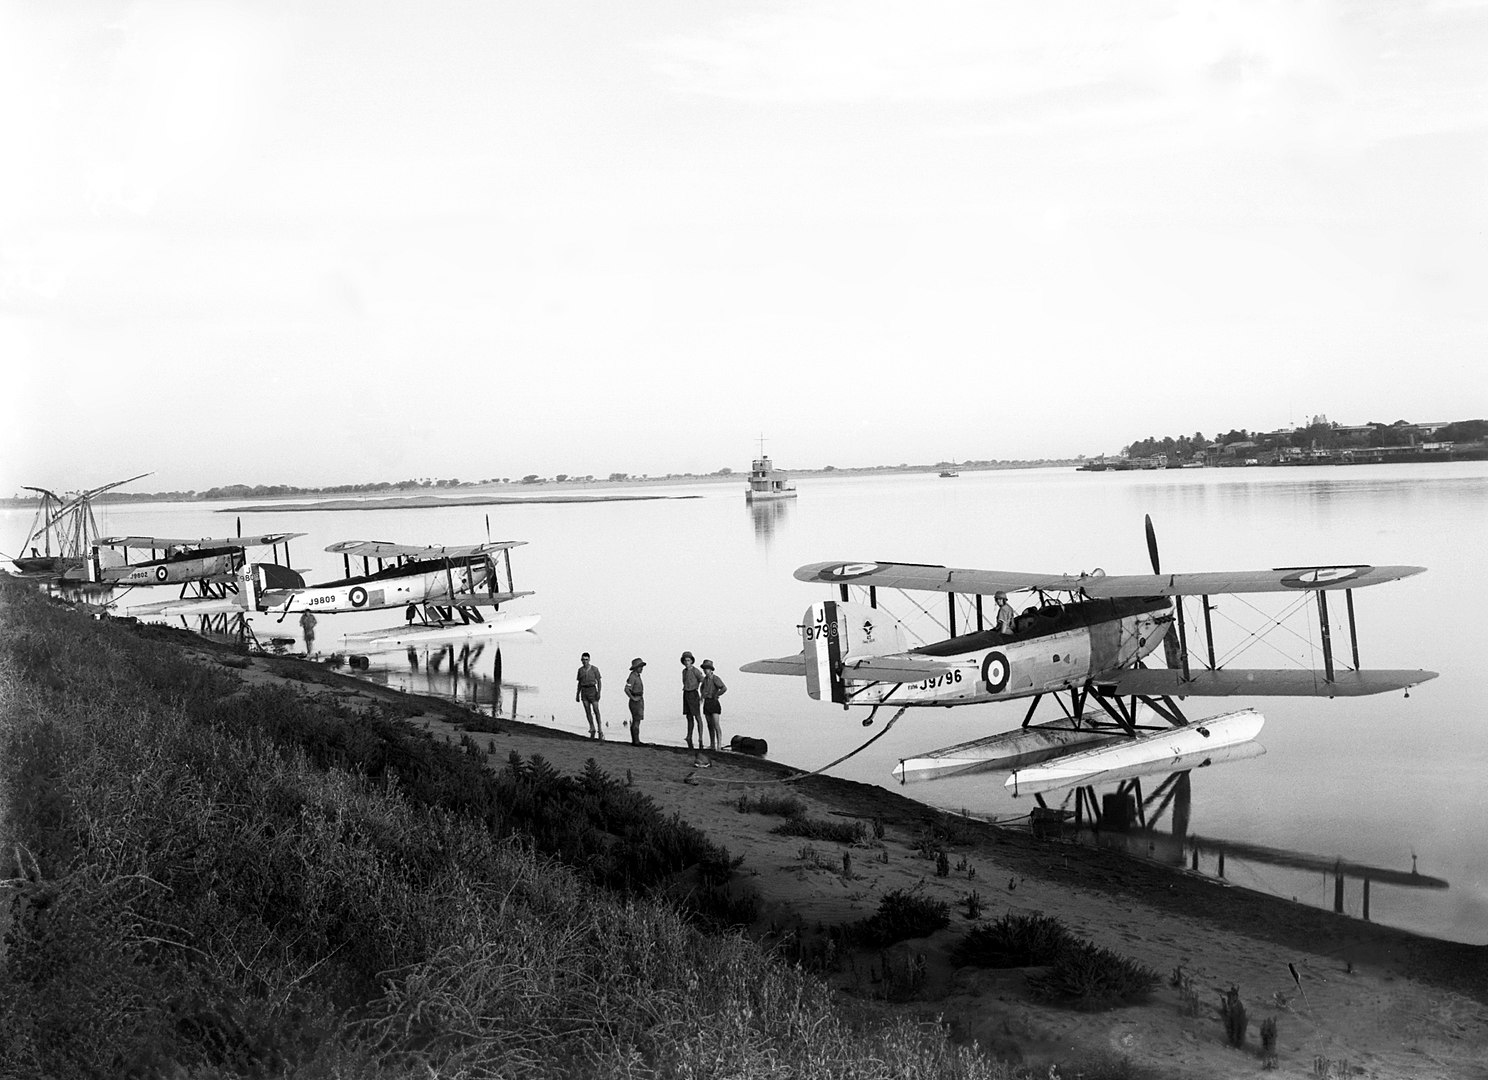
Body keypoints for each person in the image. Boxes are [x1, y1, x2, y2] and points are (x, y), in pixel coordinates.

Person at [699, 659, 727, 754]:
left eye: (707, 669)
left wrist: (717, 694)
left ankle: (719, 745)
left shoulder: (715, 678)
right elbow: (702, 688)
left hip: (714, 703)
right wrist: (702, 696)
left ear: (711, 670)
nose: (705, 670)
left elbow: (724, 688)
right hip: (707, 702)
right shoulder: (704, 680)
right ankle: (712, 744)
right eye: (704, 669)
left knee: (716, 725)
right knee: (709, 725)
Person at [576, 652, 603, 738]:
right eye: (583, 660)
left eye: (586, 660)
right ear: (581, 660)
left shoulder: (595, 669)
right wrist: (577, 694)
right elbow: (579, 683)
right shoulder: (580, 670)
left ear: (589, 660)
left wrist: (599, 692)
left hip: (592, 690)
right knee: (587, 711)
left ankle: (600, 727)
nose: (585, 661)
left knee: (596, 709)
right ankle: (592, 726)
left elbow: (599, 681)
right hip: (584, 691)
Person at [680, 651, 704, 749]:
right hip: (686, 693)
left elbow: (703, 681)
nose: (687, 662)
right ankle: (689, 736)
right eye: (685, 660)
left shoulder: (696, 671)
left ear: (692, 661)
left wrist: (702, 695)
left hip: (694, 693)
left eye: (688, 660)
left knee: (697, 716)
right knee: (688, 716)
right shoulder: (684, 671)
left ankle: (700, 737)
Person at [624, 657, 646, 745]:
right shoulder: (632, 676)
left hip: (639, 699)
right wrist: (633, 698)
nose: (642, 668)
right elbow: (626, 689)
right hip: (636, 700)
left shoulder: (637, 676)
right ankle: (636, 741)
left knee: (637, 720)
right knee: (636, 721)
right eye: (640, 667)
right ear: (636, 667)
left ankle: (636, 740)